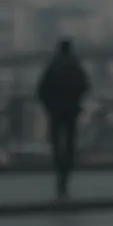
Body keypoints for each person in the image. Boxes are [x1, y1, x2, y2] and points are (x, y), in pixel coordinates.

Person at [38, 39, 90, 197]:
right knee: (69, 142)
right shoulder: (75, 66)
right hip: (71, 111)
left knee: (56, 141)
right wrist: (76, 101)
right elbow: (85, 86)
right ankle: (65, 170)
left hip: (55, 111)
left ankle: (59, 167)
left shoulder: (53, 66)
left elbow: (41, 89)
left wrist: (49, 105)